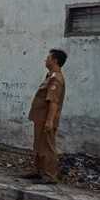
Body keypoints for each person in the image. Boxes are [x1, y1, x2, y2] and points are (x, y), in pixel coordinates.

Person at [24, 49, 67, 184]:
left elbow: (53, 102)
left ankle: (50, 175)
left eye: (48, 58)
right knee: (39, 145)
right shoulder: (50, 76)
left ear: (54, 61)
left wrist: (49, 121)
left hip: (46, 119)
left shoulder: (56, 79)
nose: (45, 60)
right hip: (40, 117)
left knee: (48, 146)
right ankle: (38, 171)